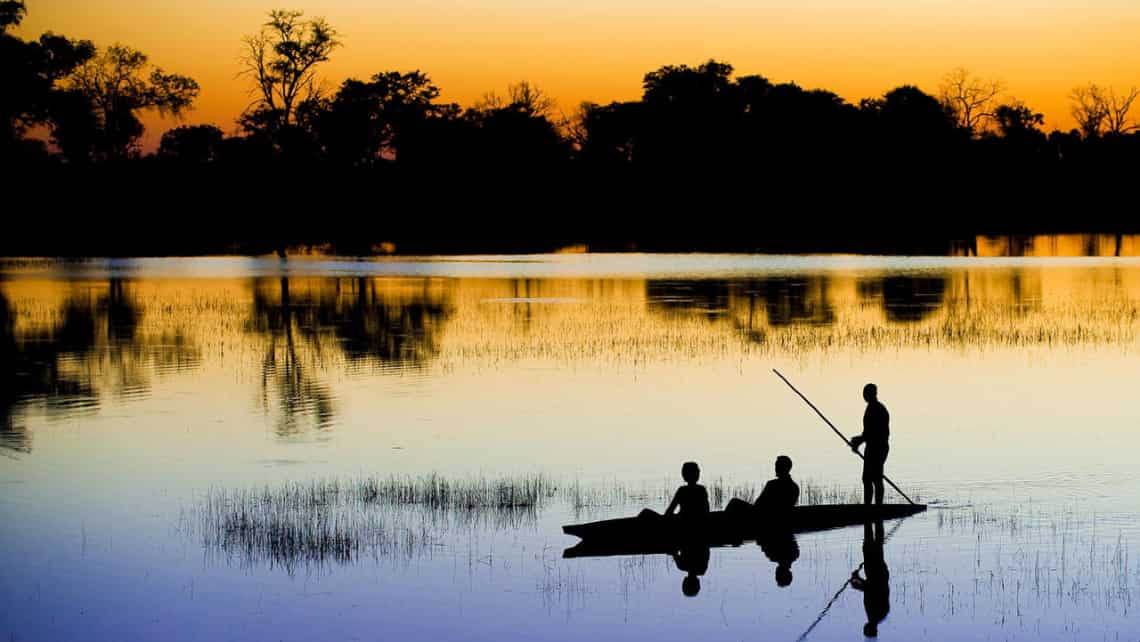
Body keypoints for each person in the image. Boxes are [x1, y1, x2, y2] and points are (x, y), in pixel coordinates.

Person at [849, 383, 889, 505]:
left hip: (879, 448)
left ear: (872, 394)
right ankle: (868, 506)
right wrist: (859, 441)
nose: (864, 396)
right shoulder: (870, 408)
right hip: (871, 447)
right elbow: (867, 433)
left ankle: (878, 507)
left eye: (866, 394)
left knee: (876, 479)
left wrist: (858, 441)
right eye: (864, 394)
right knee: (867, 479)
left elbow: (874, 433)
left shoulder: (878, 409)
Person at [849, 520, 890, 637]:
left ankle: (874, 519)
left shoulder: (879, 615)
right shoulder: (876, 614)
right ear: (868, 628)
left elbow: (870, 589)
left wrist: (857, 582)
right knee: (870, 544)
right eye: (865, 629)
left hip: (879, 573)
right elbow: (873, 588)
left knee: (876, 544)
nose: (864, 627)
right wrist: (858, 579)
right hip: (876, 573)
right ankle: (870, 519)